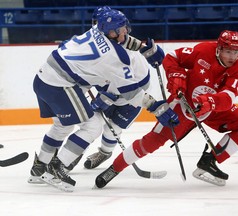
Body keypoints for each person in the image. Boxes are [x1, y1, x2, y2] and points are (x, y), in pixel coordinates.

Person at [28, 9, 179, 192]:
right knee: (92, 127)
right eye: (121, 28)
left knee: (62, 125)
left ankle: (39, 168)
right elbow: (132, 94)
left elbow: (119, 41)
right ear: (111, 31)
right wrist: (157, 107)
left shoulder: (95, 29)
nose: (126, 31)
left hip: (42, 79)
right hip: (61, 86)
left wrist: (143, 47)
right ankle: (56, 168)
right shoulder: (115, 58)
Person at [94, 30, 238, 188]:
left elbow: (229, 97)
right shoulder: (203, 50)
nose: (233, 57)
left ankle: (209, 161)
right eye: (228, 51)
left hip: (213, 107)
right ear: (218, 48)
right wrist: (176, 76)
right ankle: (114, 168)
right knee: (153, 140)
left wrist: (209, 102)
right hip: (183, 104)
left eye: (236, 52)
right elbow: (172, 57)